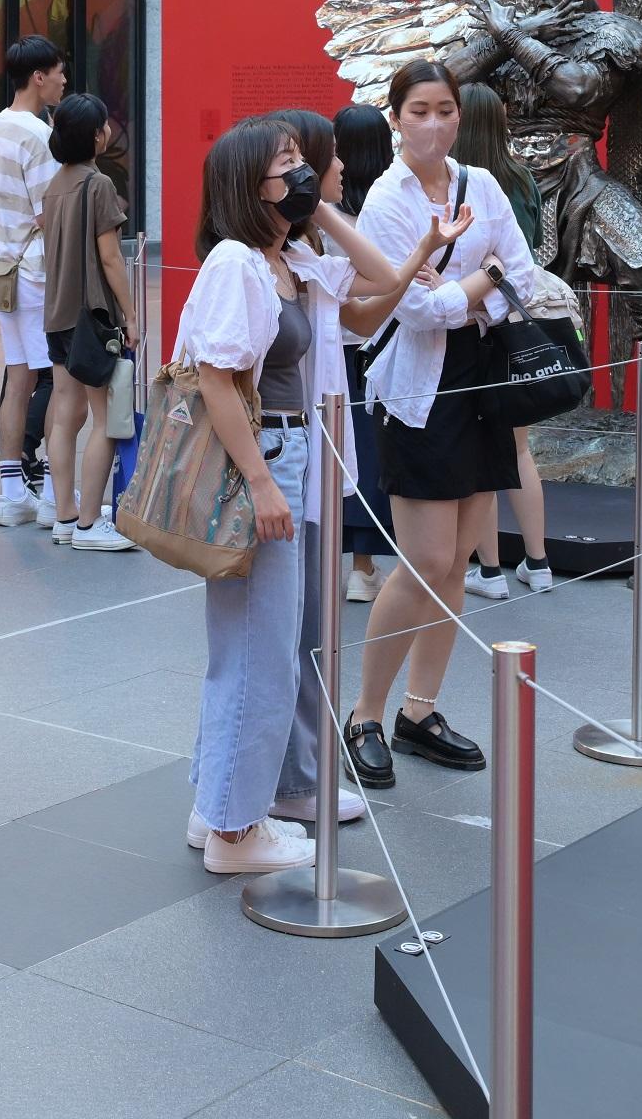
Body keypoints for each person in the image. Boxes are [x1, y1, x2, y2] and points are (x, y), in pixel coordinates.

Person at [171, 117, 417, 873]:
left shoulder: (284, 261)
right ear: (251, 184)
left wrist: (320, 211)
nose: (304, 173)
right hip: (268, 454)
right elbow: (215, 376)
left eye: (305, 163)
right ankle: (236, 835)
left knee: (261, 648)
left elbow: (377, 283)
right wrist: (261, 480)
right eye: (288, 165)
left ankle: (219, 810)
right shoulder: (237, 264)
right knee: (258, 653)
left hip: (290, 451)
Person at [344, 61, 561, 787]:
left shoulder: (485, 185)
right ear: (396, 118)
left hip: (483, 386)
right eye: (419, 112)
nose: (433, 124)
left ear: (458, 117)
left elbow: (526, 274)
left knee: (462, 558)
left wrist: (471, 288)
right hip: (418, 393)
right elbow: (416, 310)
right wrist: (482, 280)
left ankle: (419, 711)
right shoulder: (385, 200)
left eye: (444, 111)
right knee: (425, 562)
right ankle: (365, 715)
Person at [257, 107, 447, 836]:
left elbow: (368, 307)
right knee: (286, 639)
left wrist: (418, 252)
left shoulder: (303, 257)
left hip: (317, 451)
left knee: (309, 633)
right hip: (290, 456)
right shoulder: (263, 259)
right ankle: (279, 788)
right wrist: (324, 207)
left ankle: (293, 782)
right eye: (323, 164)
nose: (339, 173)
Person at [453, 81, 554, 600]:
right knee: (519, 448)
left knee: (482, 452)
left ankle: (489, 571)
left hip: (472, 330)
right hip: (517, 326)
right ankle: (538, 563)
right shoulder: (520, 178)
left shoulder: (453, 185)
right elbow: (532, 252)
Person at [0, 34, 66, 525]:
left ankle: (13, 494)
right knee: (56, 377)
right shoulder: (37, 133)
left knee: (18, 376)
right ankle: (52, 491)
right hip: (34, 270)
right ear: (38, 76)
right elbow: (49, 210)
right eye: (59, 73)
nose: (63, 81)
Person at [39, 93, 138, 549]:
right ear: (96, 135)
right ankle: (89, 524)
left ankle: (63, 516)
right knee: (104, 419)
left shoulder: (54, 185)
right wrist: (131, 314)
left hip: (57, 316)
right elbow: (111, 258)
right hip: (93, 317)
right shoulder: (97, 185)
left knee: (65, 415)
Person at [330, 104, 397, 603]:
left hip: (334, 349)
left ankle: (344, 559)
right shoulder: (390, 204)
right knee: (371, 454)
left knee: (339, 451)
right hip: (383, 347)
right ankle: (363, 564)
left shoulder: (327, 212)